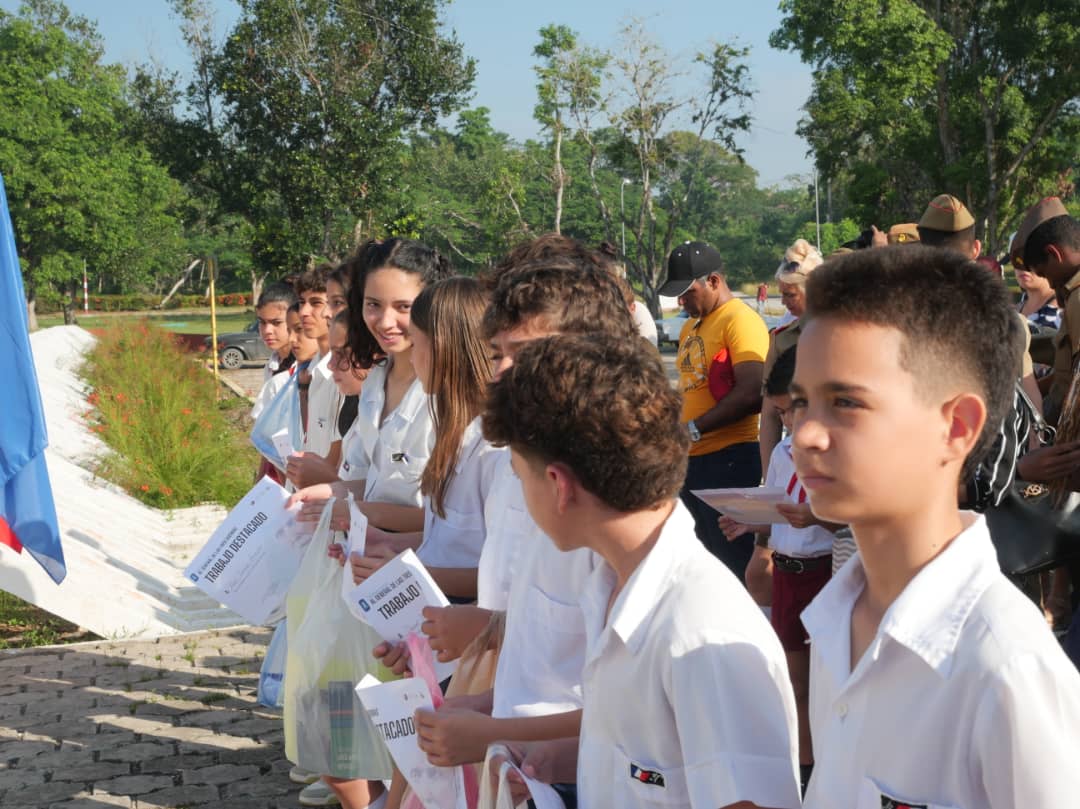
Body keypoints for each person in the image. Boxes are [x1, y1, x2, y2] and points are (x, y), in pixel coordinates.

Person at [791, 245, 1080, 807]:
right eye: (801, 402)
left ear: (956, 427)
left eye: (845, 401)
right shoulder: (836, 621)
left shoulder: (1004, 664)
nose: (804, 433)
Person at [484, 332, 801, 809]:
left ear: (558, 486)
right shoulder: (611, 590)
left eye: (518, 474)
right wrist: (555, 762)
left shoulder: (698, 634)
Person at [404, 255, 641, 809]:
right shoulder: (526, 469)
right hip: (521, 766)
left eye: (525, 354)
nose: (503, 372)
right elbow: (538, 640)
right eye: (498, 354)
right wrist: (486, 708)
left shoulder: (604, 510)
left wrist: (493, 728)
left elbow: (629, 705)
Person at [719, 346, 840, 792]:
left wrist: (817, 518)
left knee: (826, 677)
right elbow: (774, 506)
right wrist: (755, 534)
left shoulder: (835, 451)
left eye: (791, 411)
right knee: (794, 679)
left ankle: (829, 769)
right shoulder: (783, 453)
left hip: (826, 571)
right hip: (787, 572)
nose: (786, 423)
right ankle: (804, 772)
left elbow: (856, 516)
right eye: (781, 414)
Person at [347, 276, 502, 600]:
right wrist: (386, 544)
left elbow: (501, 577)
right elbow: (445, 540)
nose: (411, 358)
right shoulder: (455, 432)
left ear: (444, 351)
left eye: (416, 344)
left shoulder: (495, 450)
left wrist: (404, 574)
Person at [659, 240, 769, 579]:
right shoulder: (693, 325)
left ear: (714, 282)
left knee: (732, 563)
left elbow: (752, 391)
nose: (681, 301)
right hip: (694, 460)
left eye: (687, 292)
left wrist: (693, 428)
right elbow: (692, 384)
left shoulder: (740, 321)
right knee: (703, 561)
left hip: (729, 459)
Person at [286, 265, 344, 490]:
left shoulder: (344, 373)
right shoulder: (314, 367)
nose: (304, 312)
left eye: (316, 303)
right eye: (302, 302)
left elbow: (338, 458)